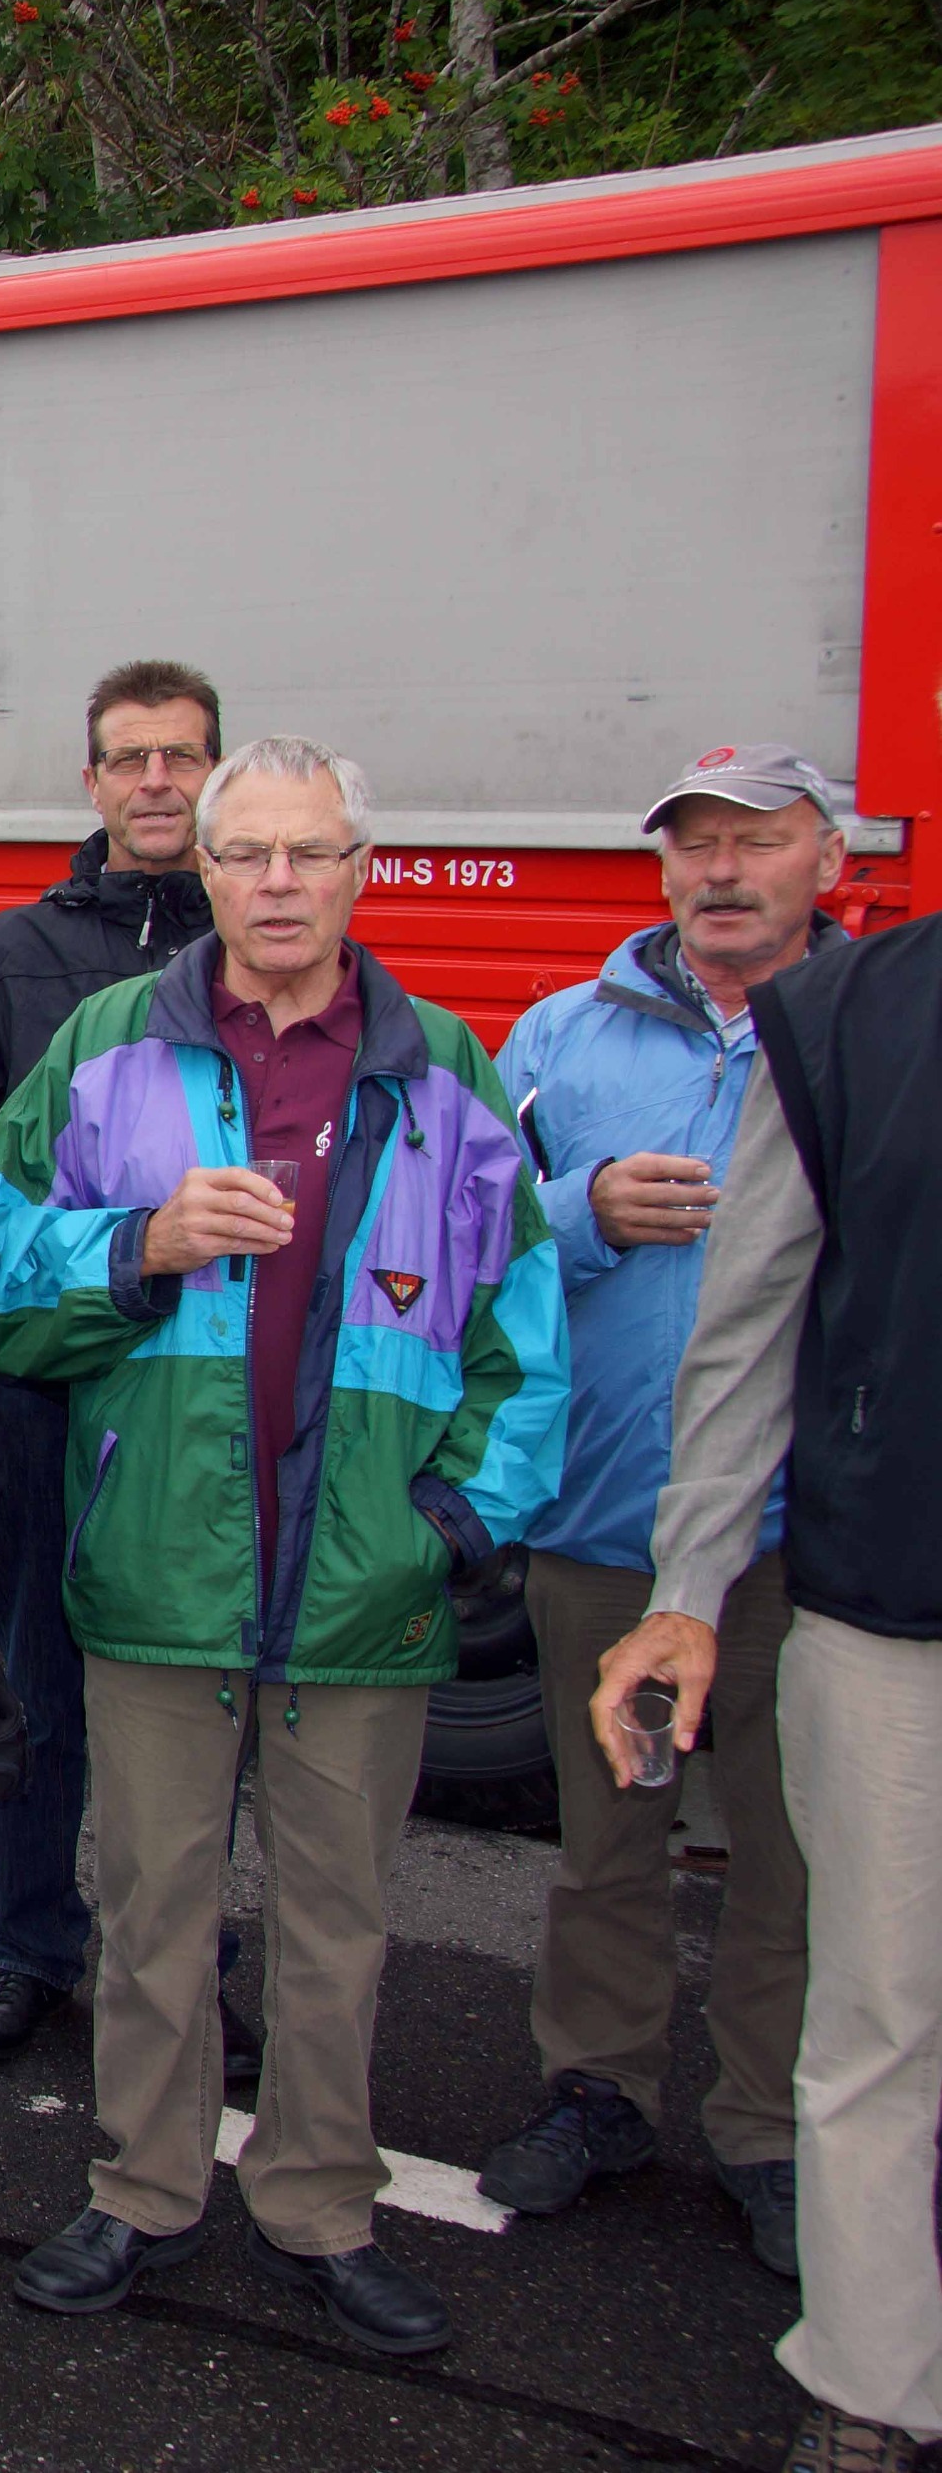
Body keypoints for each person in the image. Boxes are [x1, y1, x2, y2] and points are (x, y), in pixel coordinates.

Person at [0, 735, 565, 2356]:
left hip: (362, 1583)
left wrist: (448, 1523)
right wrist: (143, 1243)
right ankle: (141, 2189)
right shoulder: (106, 1046)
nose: (280, 882)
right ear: (205, 870)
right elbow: (4, 1275)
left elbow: (524, 1330)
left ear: (360, 870)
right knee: (150, 1908)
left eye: (312, 852)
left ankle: (318, 2207)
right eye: (247, 853)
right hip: (159, 1564)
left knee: (335, 1928)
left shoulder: (444, 1068)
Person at [477, 744, 849, 2267]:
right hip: (607, 1525)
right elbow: (467, 1232)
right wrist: (582, 1212)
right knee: (608, 1840)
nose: (721, 871)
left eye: (756, 840)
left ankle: (769, 2130)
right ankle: (597, 2089)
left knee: (789, 1855)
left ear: (828, 861)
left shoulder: (864, 1030)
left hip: (802, 1538)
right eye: (694, 844)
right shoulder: (563, 1036)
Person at [591, 883, 940, 2473]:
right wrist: (685, 1592)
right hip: (889, 1615)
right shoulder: (847, 1017)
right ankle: (870, 2387)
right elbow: (745, 1328)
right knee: (878, 2018)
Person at [0, 662, 232, 2074]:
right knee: (43, 1684)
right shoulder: (10, 957)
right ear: (92, 781)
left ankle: (193, 1963)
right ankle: (30, 1948)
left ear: (216, 775)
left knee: (201, 1699)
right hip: (47, 1390)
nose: (155, 781)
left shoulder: (263, 951)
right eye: (130, 758)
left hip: (210, 1394)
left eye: (181, 757)